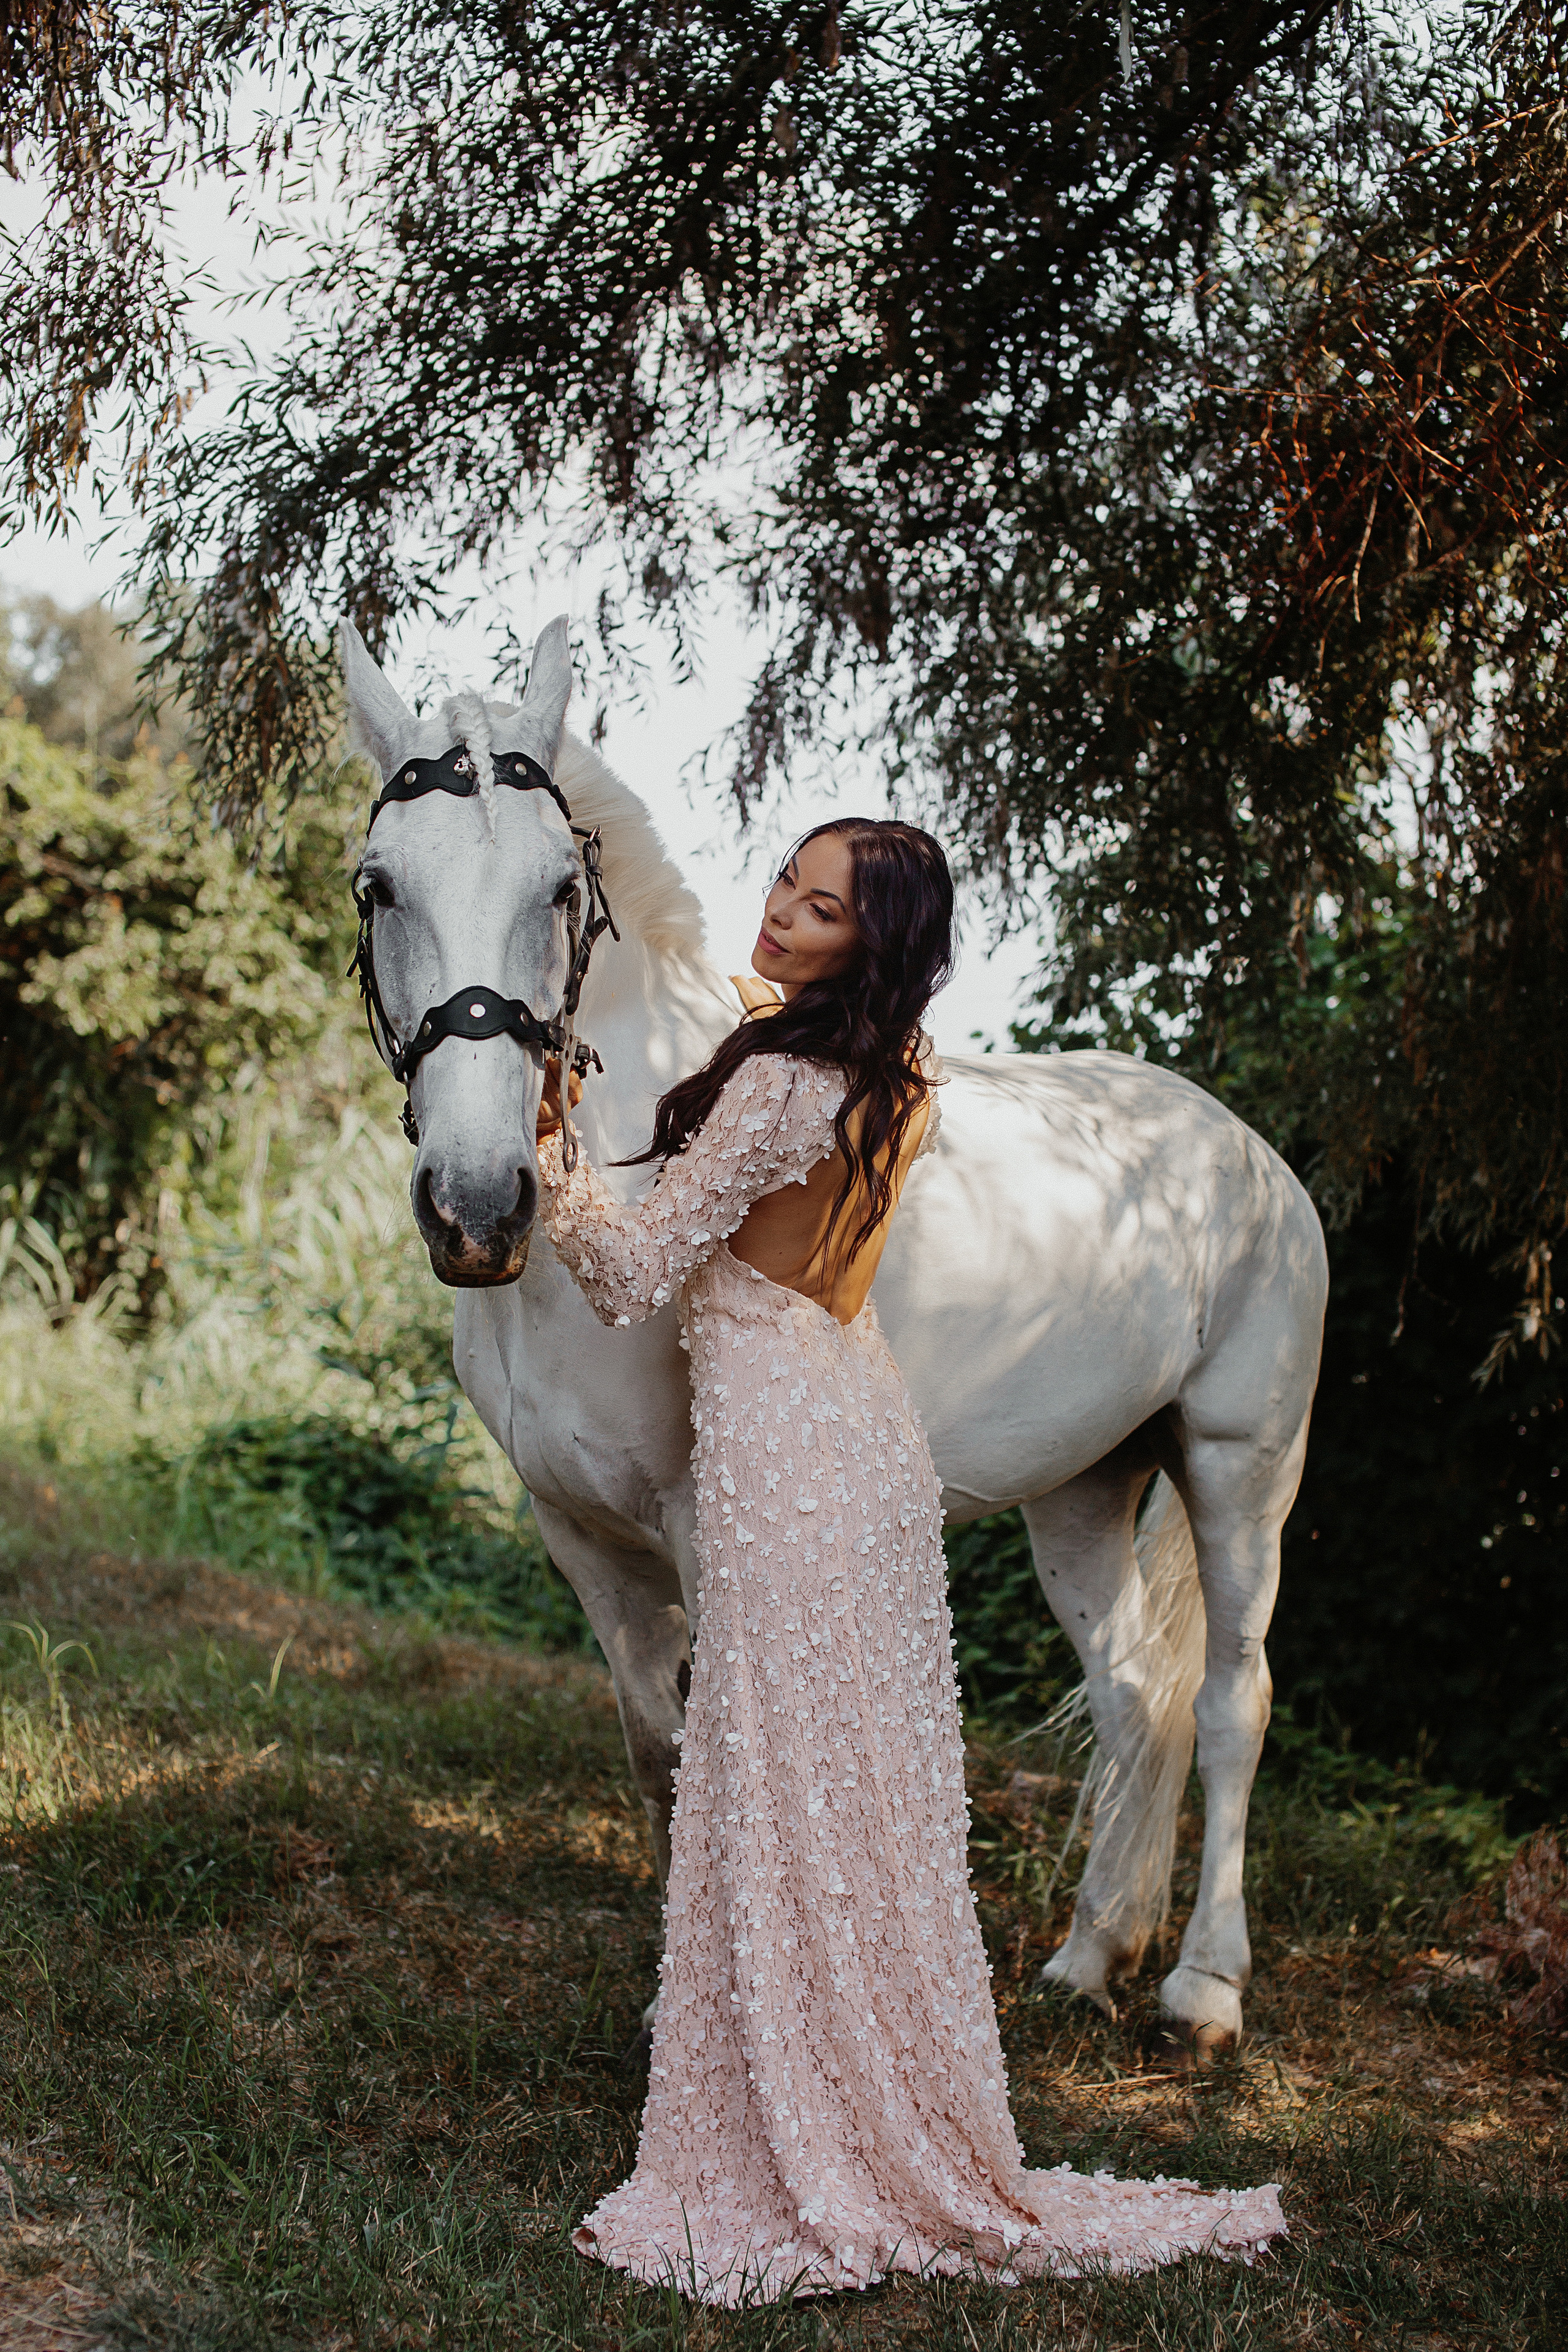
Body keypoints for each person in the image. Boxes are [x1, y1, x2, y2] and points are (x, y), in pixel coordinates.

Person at [533, 817, 1286, 2305]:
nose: (781, 919)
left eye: (821, 912)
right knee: (855, 1793)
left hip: (781, 1465)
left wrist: (553, 1157)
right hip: (856, 1434)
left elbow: (627, 1278)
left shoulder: (770, 1083)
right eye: (783, 888)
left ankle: (804, 2123)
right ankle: (877, 2100)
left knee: (782, 1779)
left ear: (869, 945)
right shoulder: (896, 1073)